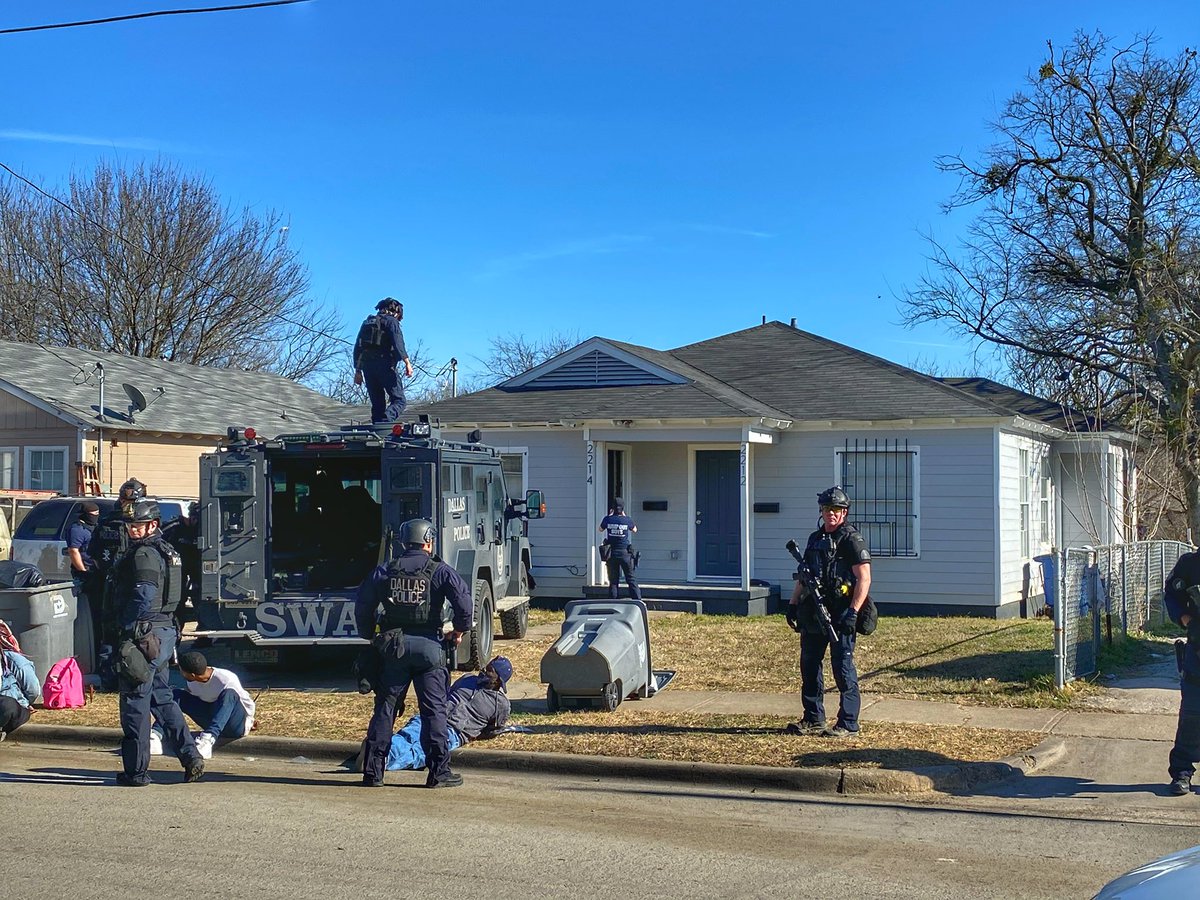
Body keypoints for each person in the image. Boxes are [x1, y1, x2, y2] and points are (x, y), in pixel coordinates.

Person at [354, 517, 473, 788]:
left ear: (403, 542)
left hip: (393, 649)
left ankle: (373, 773)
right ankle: (438, 772)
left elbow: (363, 605)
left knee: (385, 708)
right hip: (430, 649)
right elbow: (464, 603)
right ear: (428, 541)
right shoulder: (440, 570)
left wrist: (368, 634)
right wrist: (459, 630)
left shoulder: (386, 570)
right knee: (434, 711)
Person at [111, 499, 204, 786]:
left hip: (144, 634)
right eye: (129, 526)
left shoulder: (145, 554)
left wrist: (125, 624)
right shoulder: (168, 551)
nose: (132, 530)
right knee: (162, 699)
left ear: (152, 525)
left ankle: (136, 772)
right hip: (162, 632)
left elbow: (143, 593)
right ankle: (191, 757)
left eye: (137, 525)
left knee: (136, 702)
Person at [786, 487, 872, 738]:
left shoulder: (852, 540)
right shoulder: (815, 539)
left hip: (841, 613)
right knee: (809, 665)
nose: (831, 514)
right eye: (826, 509)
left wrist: (853, 612)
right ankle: (813, 718)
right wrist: (792, 604)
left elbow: (864, 579)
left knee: (842, 668)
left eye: (836, 510)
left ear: (844, 513)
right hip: (814, 613)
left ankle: (848, 723)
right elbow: (805, 576)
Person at [383, 656, 512, 771]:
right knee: (409, 734)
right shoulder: (467, 679)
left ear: (498, 681)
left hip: (454, 731)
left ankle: (383, 761)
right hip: (434, 716)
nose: (483, 670)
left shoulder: (501, 704)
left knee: (421, 751)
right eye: (486, 666)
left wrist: (474, 734)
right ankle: (379, 755)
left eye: (489, 670)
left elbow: (494, 730)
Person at [152, 650, 255, 760]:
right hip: (213, 717)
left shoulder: (226, 680)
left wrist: (250, 721)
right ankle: (156, 736)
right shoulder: (192, 681)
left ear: (192, 675)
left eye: (182, 670)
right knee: (176, 695)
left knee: (229, 694)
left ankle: (207, 741)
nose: (180, 672)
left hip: (235, 726)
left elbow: (246, 703)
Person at [1163, 552, 1200, 795]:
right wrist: (1183, 617)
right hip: (1197, 653)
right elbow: (1171, 594)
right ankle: (1182, 772)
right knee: (1192, 716)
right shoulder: (1189, 564)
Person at [353, 296, 413, 425]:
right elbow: (398, 343)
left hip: (367, 367)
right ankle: (386, 421)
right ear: (396, 311)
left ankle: (377, 428)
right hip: (384, 364)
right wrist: (407, 363)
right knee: (399, 400)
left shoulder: (367, 323)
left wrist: (358, 371)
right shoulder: (391, 321)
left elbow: (358, 346)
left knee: (377, 403)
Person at [161, 501, 201, 625]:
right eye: (194, 518)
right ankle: (177, 630)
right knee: (177, 599)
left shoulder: (203, 529)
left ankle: (204, 634)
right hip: (177, 568)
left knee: (200, 598)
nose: (195, 521)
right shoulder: (173, 528)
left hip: (197, 566)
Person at [598, 498, 641, 601]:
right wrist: (624, 516)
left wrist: (610, 516)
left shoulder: (607, 519)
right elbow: (635, 529)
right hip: (625, 553)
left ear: (612, 508)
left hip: (611, 553)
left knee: (613, 580)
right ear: (622, 508)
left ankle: (613, 601)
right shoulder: (627, 520)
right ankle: (637, 601)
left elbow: (600, 529)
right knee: (630, 578)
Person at [0, 644, 40, 742]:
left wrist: (23, 703)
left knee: (7, 705)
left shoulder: (16, 662)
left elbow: (33, 690)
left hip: (11, 705)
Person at [66, 501, 100, 598]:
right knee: (84, 601)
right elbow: (73, 551)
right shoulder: (77, 530)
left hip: (96, 570)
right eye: (93, 514)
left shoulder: (95, 527)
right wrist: (83, 571)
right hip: (85, 572)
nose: (96, 516)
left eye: (97, 514)